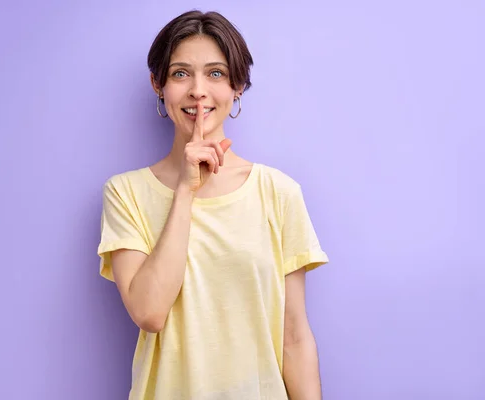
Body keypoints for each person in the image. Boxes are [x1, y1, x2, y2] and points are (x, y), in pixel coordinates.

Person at [97, 10, 329, 400]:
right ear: (159, 84)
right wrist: (186, 191)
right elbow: (150, 313)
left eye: (216, 74)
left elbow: (294, 336)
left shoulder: (278, 192)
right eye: (180, 73)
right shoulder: (126, 193)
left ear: (238, 86)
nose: (198, 91)